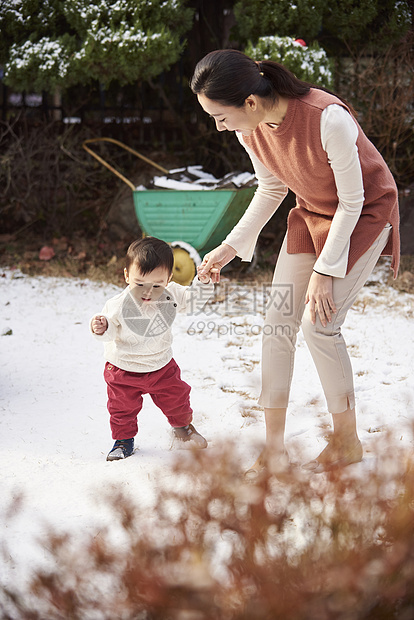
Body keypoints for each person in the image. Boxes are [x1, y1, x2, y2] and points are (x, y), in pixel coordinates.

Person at [191, 49, 400, 479]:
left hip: (362, 214)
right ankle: (273, 450)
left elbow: (354, 200)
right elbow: (270, 190)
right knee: (277, 323)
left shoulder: (327, 118)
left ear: (249, 101)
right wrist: (227, 248)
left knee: (319, 324)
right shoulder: (248, 130)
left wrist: (325, 272)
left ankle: (347, 440)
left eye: (220, 116)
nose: (219, 126)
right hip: (312, 214)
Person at [90, 236, 214, 461]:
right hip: (123, 369)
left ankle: (183, 428)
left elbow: (194, 300)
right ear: (127, 275)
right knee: (121, 408)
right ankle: (123, 440)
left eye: (156, 285)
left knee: (177, 398)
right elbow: (109, 331)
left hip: (161, 365)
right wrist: (102, 327)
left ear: (168, 279)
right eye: (139, 284)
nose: (147, 292)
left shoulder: (172, 295)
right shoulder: (118, 305)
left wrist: (203, 281)